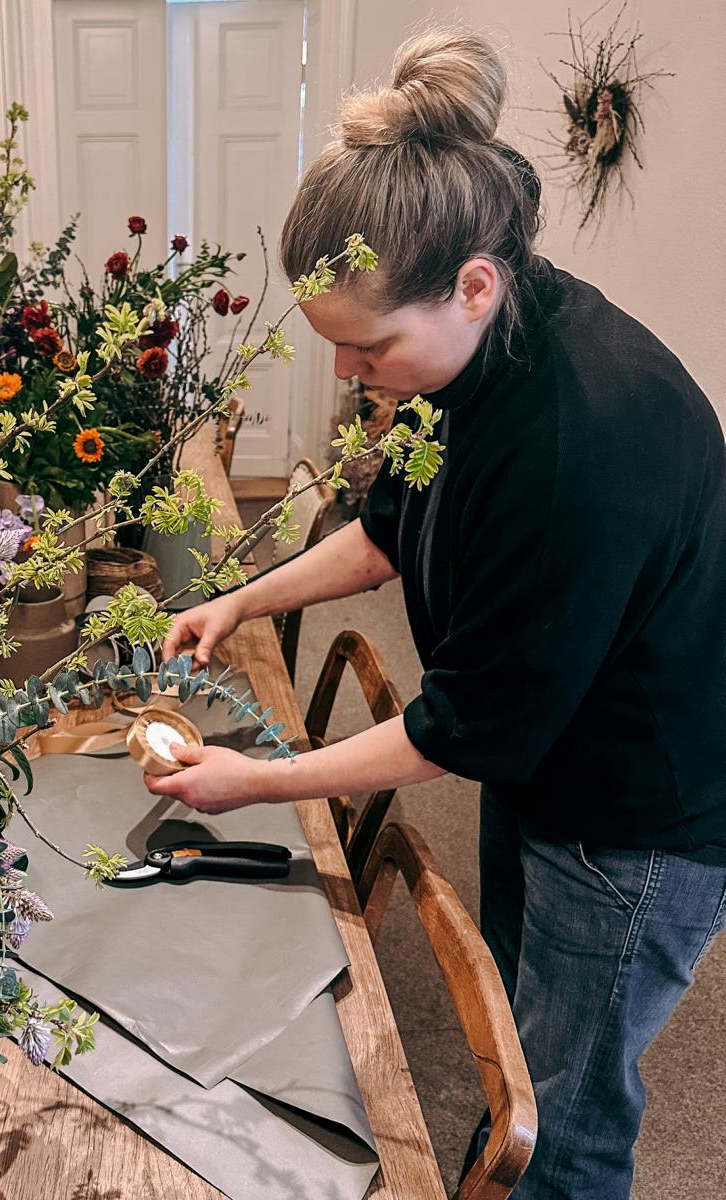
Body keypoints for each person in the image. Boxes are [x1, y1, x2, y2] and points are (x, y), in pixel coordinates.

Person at [151, 27, 726, 1200]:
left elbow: (461, 730)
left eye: (369, 350)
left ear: (473, 283)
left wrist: (247, 783)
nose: (356, 379)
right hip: (547, 750)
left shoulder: (583, 440)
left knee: (562, 1118)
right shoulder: (472, 358)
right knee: (519, 1022)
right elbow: (384, 537)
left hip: (641, 813)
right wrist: (236, 598)